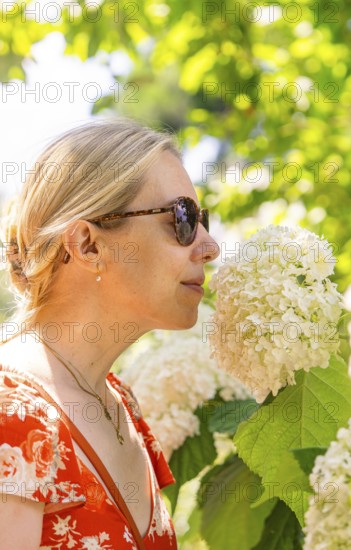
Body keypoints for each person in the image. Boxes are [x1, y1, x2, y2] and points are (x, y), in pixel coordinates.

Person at [0, 118, 220, 549]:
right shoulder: (13, 415)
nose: (210, 247)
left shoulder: (122, 407)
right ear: (88, 245)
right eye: (183, 218)